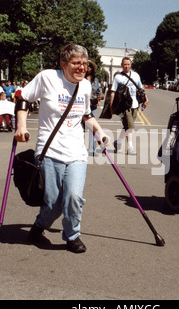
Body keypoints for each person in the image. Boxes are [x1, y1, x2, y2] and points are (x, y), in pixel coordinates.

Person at [14, 44, 111, 253]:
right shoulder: (47, 78)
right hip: (50, 151)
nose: (82, 67)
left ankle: (72, 235)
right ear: (64, 64)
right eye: (76, 63)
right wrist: (21, 127)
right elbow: (22, 98)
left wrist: (100, 133)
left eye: (84, 63)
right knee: (54, 202)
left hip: (76, 152)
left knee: (74, 196)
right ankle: (40, 224)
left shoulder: (85, 86)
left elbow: (86, 115)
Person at [109, 57, 148, 155]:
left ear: (131, 65)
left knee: (127, 126)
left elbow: (141, 88)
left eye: (128, 64)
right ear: (122, 65)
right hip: (124, 105)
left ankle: (118, 143)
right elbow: (113, 92)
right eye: (124, 64)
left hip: (135, 104)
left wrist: (146, 99)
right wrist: (111, 106)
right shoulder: (118, 77)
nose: (126, 66)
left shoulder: (135, 75)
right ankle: (130, 147)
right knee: (130, 126)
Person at [85, 60, 103, 155]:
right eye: (87, 66)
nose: (88, 68)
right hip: (83, 106)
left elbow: (99, 92)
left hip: (93, 106)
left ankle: (92, 149)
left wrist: (100, 97)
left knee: (93, 127)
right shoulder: (80, 79)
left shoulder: (95, 80)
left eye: (90, 67)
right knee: (82, 128)